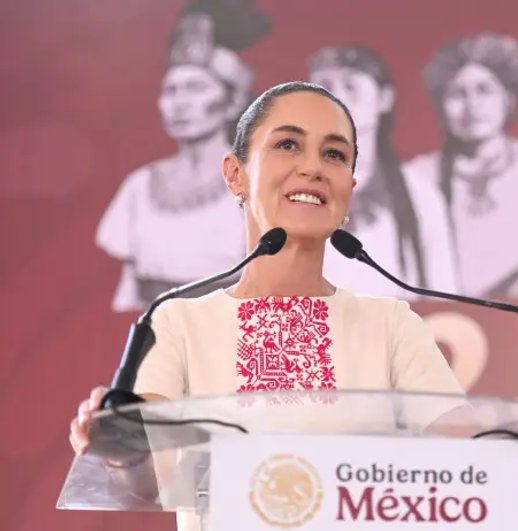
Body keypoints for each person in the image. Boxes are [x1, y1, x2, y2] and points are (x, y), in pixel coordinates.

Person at [69, 82, 464, 530]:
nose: (312, 167)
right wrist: (123, 449)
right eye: (288, 144)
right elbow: (152, 478)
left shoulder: (391, 325)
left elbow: (467, 473)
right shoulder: (178, 322)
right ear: (236, 174)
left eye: (334, 154)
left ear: (349, 188)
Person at [95, 0, 270, 311]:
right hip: (157, 337)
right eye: (171, 90)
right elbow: (129, 290)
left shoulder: (259, 183)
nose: (180, 103)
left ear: (231, 102)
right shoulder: (139, 185)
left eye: (195, 88)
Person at [404, 33, 518, 299]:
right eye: (457, 94)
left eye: (484, 90)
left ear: (508, 99)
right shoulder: (418, 177)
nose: (472, 105)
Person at [308, 44, 454, 298]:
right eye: (325, 88)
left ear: (384, 98)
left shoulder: (419, 193)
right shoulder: (283, 187)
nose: (337, 99)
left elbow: (444, 296)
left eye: (351, 86)